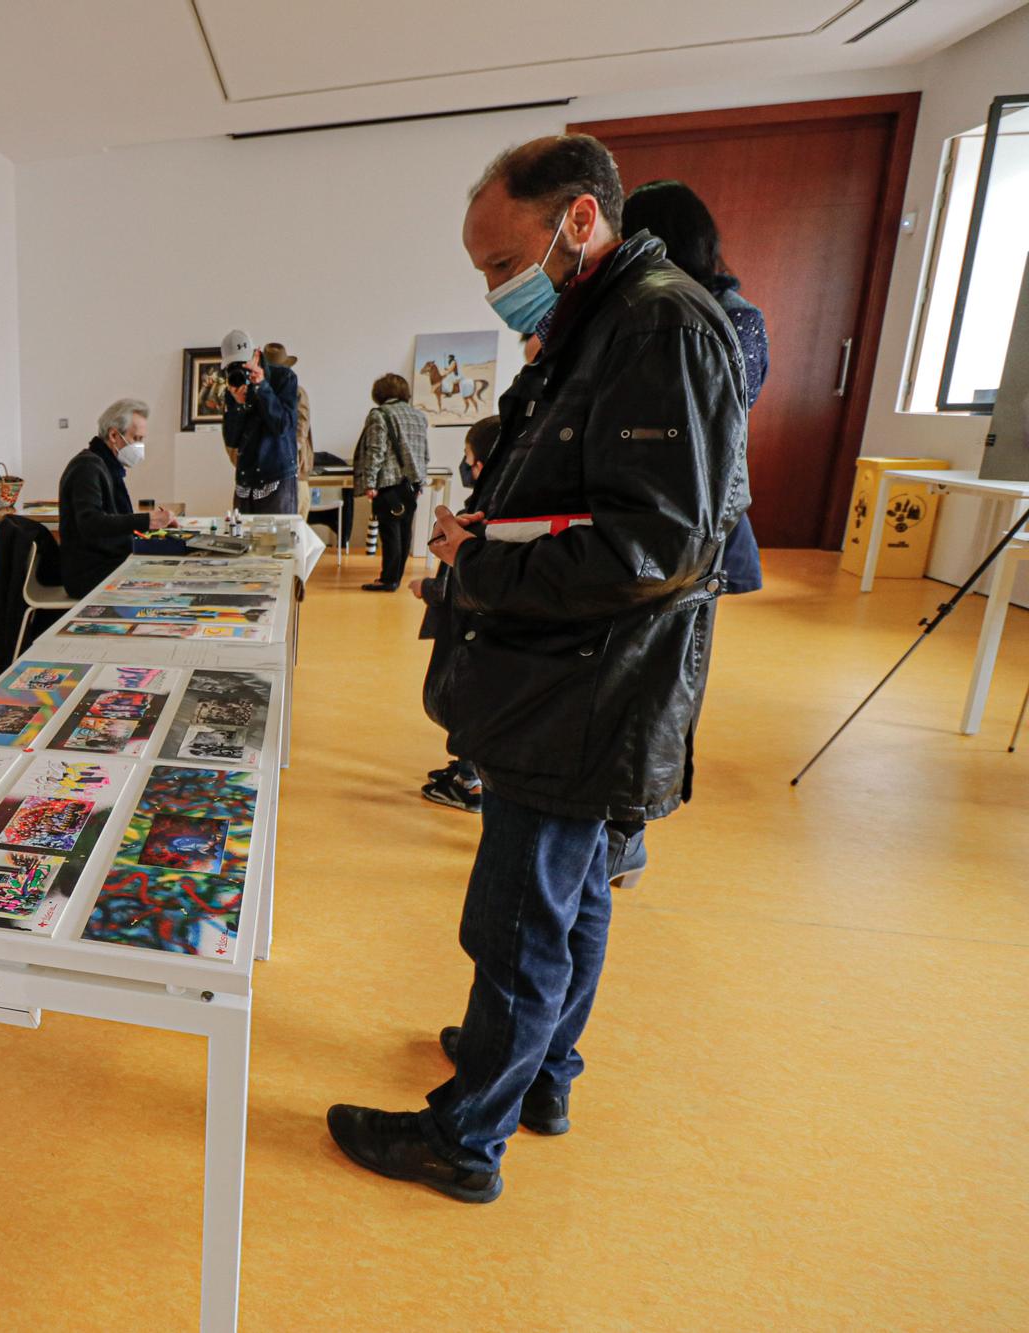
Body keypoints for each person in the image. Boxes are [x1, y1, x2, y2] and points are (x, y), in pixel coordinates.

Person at [327, 135, 748, 1203]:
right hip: (581, 676)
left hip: (582, 684)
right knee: (574, 894)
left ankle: (463, 1137)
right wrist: (495, 522)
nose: (493, 287)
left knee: (517, 915)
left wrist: (483, 563)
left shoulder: (655, 321)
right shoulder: (607, 317)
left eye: (497, 261)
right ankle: (540, 1071)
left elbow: (654, 543)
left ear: (575, 219)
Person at [622, 179, 768, 595]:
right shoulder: (632, 310)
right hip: (670, 487)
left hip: (689, 488)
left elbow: (729, 410)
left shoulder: (729, 316)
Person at [410, 415, 502, 812]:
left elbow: (462, 584)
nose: (466, 465)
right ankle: (469, 769)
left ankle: (471, 782)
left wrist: (426, 588)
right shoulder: (489, 506)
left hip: (468, 631)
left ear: (481, 464)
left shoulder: (484, 516)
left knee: (462, 704)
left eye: (469, 457)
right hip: (467, 629)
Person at [58, 399, 174, 596]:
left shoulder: (105, 466)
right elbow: (91, 523)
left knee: (170, 561)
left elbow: (114, 521)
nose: (140, 446)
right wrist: (148, 520)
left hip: (106, 562)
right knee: (168, 578)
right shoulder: (87, 467)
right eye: (136, 438)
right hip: (89, 572)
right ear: (113, 435)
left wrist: (155, 528)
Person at [354, 373, 430, 591]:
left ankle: (388, 580)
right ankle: (395, 576)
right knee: (405, 531)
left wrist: (370, 483)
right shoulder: (418, 415)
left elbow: (375, 451)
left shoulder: (380, 415)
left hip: (388, 482)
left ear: (379, 393)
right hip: (411, 484)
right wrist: (420, 482)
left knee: (389, 533)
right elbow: (424, 453)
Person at [218, 329, 299, 515]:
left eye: (243, 363)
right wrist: (238, 406)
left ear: (256, 355)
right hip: (246, 479)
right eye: (233, 365)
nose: (240, 370)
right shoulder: (233, 387)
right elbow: (231, 439)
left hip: (277, 475)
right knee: (244, 540)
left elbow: (283, 426)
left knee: (278, 541)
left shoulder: (283, 378)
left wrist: (262, 387)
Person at [262, 342, 316, 515]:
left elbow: (300, 431)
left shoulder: (295, 393)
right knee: (292, 534)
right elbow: (301, 430)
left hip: (284, 475)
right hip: (290, 475)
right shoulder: (296, 392)